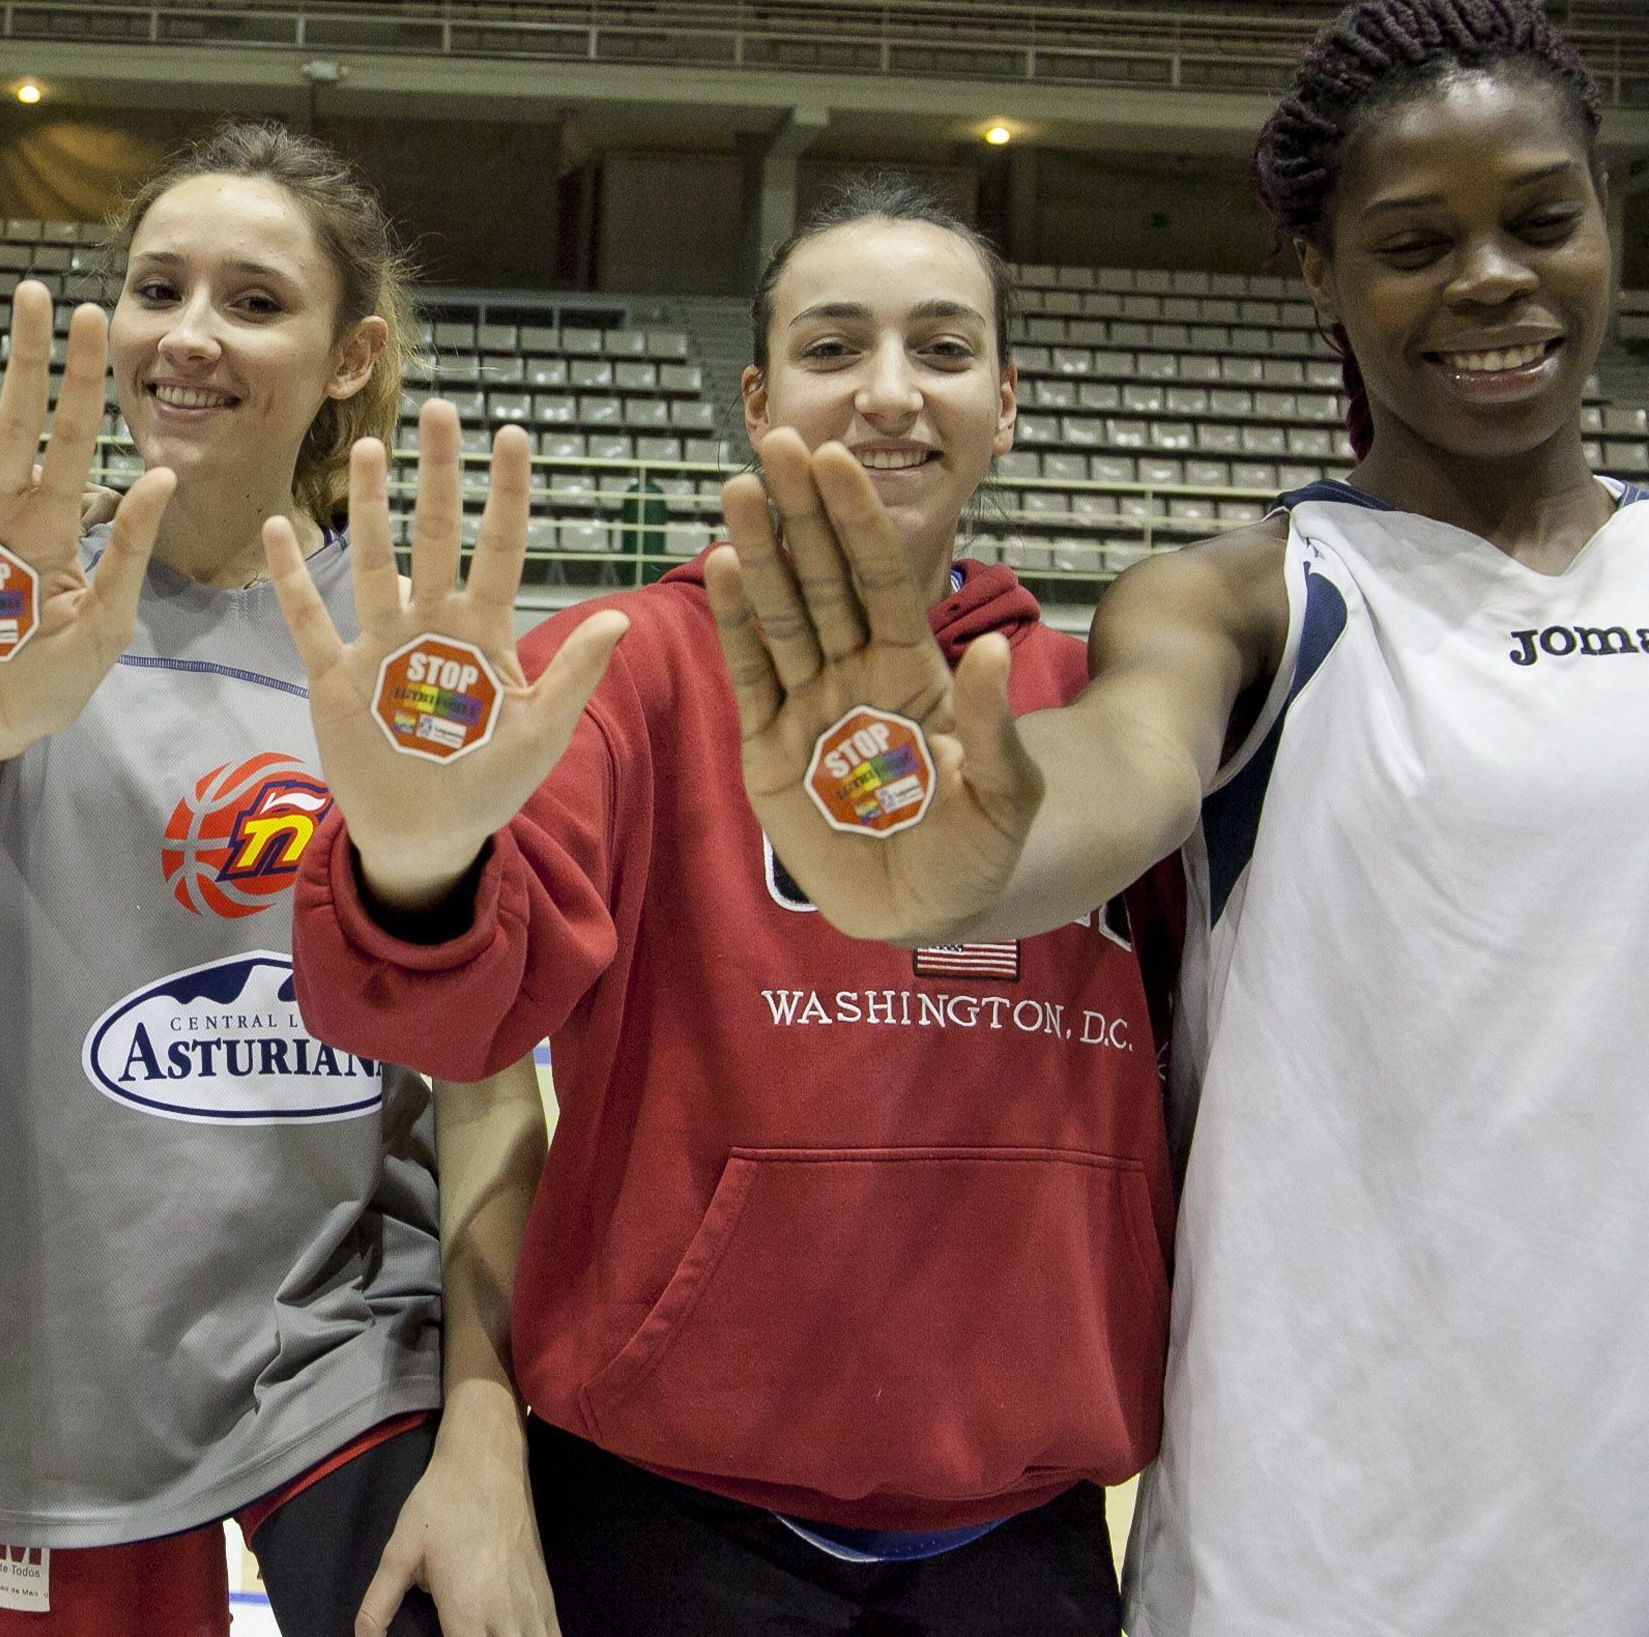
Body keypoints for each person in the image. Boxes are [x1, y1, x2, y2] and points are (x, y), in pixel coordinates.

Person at [695, 0, 1647, 1637]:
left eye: (1538, 221)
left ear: (1606, 227)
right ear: (1324, 279)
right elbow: (1103, 782)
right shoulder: (1246, 600)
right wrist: (956, 857)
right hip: (1319, 1536)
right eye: (1416, 242)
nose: (1489, 278)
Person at [276, 174, 1177, 1636]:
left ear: (1006, 401)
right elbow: (445, 1010)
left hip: (1028, 1526)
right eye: (834, 349)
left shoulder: (1094, 717)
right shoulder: (621, 669)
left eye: (942, 351)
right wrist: (415, 860)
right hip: (675, 1516)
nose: (889, 394)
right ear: (757, 398)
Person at [0, 123, 556, 1637]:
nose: (189, 335)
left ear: (351, 353)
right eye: (158, 288)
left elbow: (491, 1084)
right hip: (60, 1356)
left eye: (253, 301)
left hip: (347, 1337)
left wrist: (490, 1428)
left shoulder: (418, 657)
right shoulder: (17, 617)